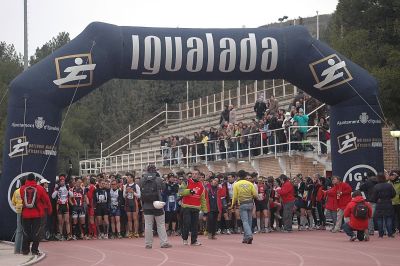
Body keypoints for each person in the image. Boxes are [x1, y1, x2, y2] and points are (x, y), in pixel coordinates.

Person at [140, 165, 172, 249]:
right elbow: (164, 188)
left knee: (148, 225)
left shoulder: (143, 179)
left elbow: (140, 187)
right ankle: (164, 243)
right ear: (155, 170)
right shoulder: (158, 179)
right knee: (160, 224)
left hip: (146, 205)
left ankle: (148, 244)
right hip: (157, 205)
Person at [20, 173, 52, 255]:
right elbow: (47, 200)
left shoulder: (22, 188)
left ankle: (25, 250)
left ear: (27, 179)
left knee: (26, 232)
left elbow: (21, 199)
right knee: (36, 232)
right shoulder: (40, 188)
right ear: (35, 179)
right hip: (37, 214)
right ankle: (34, 250)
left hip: (25, 214)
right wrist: (49, 210)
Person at [179, 169, 208, 246]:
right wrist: (189, 191)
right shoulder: (186, 182)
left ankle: (194, 241)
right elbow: (180, 191)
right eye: (193, 174)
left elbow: (203, 199)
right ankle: (185, 239)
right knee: (187, 223)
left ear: (199, 175)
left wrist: (205, 211)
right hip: (186, 207)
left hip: (196, 208)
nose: (194, 175)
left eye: (196, 174)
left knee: (195, 225)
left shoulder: (201, 185)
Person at [231, 170, 257, 244]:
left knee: (245, 221)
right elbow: (255, 194)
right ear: (245, 176)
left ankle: (249, 235)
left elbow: (235, 196)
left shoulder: (236, 184)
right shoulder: (250, 183)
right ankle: (245, 238)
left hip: (242, 204)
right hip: (250, 203)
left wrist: (232, 205)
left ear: (238, 176)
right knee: (249, 221)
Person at [372, 173, 396, 238]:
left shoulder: (376, 186)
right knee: (388, 219)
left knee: (379, 219)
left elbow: (373, 197)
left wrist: (377, 200)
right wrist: (389, 197)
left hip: (379, 204)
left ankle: (380, 234)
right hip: (388, 203)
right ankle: (390, 234)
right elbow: (394, 194)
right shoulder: (389, 185)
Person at [52, 175, 73, 240]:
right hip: (59, 205)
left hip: (65, 205)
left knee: (67, 221)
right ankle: (61, 235)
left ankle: (69, 235)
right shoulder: (57, 187)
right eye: (61, 181)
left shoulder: (67, 187)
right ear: (59, 182)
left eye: (63, 181)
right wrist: (56, 190)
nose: (62, 182)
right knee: (60, 221)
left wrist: (68, 189)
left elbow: (72, 195)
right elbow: (53, 196)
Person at [123, 173, 141, 238]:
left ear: (132, 178)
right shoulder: (125, 186)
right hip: (128, 203)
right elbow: (123, 196)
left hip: (134, 203)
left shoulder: (136, 186)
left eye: (128, 177)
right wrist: (127, 192)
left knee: (135, 218)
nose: (127, 179)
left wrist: (133, 192)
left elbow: (139, 196)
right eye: (127, 177)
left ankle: (136, 232)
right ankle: (130, 232)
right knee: (129, 218)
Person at [12, 177, 25, 254]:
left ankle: (16, 250)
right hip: (24, 210)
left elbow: (13, 202)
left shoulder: (16, 191)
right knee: (24, 231)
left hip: (18, 211)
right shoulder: (25, 190)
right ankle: (21, 249)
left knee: (18, 230)